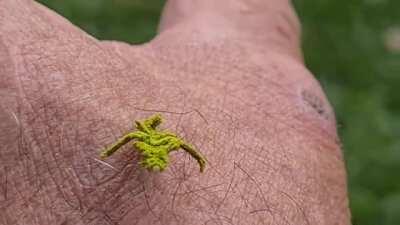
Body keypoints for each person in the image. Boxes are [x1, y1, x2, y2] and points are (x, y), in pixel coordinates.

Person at [0, 0, 351, 224]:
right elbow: (159, 144)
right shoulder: (156, 139)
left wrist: (113, 152)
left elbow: (145, 142)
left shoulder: (151, 138)